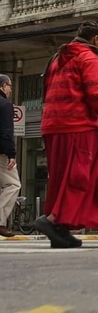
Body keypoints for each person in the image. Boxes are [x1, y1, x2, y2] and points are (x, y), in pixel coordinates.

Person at [36, 21, 98, 248]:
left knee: (64, 178)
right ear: (96, 39)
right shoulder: (91, 60)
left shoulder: (57, 59)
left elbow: (46, 92)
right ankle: (53, 220)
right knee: (79, 177)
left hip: (52, 126)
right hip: (78, 126)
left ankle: (60, 229)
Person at [0, 74, 21, 237]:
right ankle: (0, 221)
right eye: (9, 85)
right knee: (13, 185)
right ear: (2, 86)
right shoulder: (5, 105)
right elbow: (6, 131)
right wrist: (11, 154)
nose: (11, 89)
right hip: (1, 153)